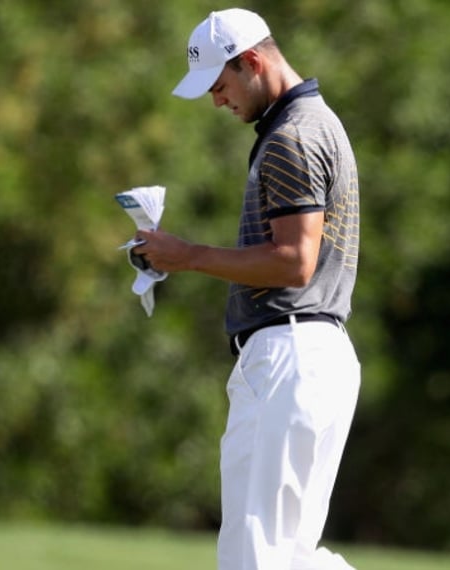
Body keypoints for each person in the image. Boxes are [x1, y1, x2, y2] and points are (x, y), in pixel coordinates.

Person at [133, 8, 361, 569]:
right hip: (312, 354)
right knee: (284, 557)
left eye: (220, 84)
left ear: (253, 61)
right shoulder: (313, 123)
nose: (217, 101)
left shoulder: (293, 137)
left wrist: (186, 256)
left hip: (289, 354)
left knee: (255, 556)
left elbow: (294, 262)